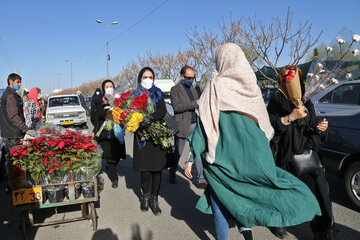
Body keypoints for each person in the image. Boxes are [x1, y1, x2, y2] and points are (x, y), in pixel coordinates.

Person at [185, 43, 321, 240]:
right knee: (245, 195)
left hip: (221, 158)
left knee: (220, 201)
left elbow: (204, 125)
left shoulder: (215, 85)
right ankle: (250, 234)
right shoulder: (251, 85)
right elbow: (264, 127)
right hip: (251, 157)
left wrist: (191, 156)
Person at [267, 65, 334, 240]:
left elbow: (311, 124)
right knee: (283, 194)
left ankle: (324, 230)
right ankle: (277, 221)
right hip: (287, 155)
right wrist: (291, 117)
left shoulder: (306, 99)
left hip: (309, 152)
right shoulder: (276, 100)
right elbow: (271, 128)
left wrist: (320, 129)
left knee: (321, 193)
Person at [133, 67, 167, 216]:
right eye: (145, 77)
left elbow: (162, 110)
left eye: (150, 76)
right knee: (145, 170)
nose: (148, 79)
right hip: (142, 136)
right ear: (140, 78)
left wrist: (151, 117)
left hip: (156, 136)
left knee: (156, 170)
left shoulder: (158, 92)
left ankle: (154, 200)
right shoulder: (134, 94)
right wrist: (138, 121)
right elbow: (130, 113)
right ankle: (145, 197)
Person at [169, 66, 206, 188]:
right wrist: (194, 103)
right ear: (182, 76)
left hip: (195, 124)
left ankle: (201, 179)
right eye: (189, 77)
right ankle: (172, 171)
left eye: (193, 77)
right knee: (178, 152)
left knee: (197, 151)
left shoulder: (194, 89)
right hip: (182, 126)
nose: (191, 79)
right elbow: (177, 107)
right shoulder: (175, 90)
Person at [0, 73, 35, 192]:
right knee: (16, 161)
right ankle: (15, 186)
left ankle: (11, 185)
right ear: (11, 81)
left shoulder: (10, 94)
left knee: (12, 161)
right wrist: (26, 129)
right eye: (18, 82)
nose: (19, 85)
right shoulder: (10, 96)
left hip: (11, 133)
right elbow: (14, 116)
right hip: (13, 134)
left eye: (20, 82)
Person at [91, 80, 126, 188]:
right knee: (110, 156)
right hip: (105, 131)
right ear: (103, 88)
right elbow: (100, 114)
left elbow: (124, 112)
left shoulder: (118, 98)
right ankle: (114, 178)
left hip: (117, 131)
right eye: (107, 86)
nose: (109, 88)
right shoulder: (100, 99)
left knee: (117, 156)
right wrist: (113, 114)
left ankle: (111, 167)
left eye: (111, 86)